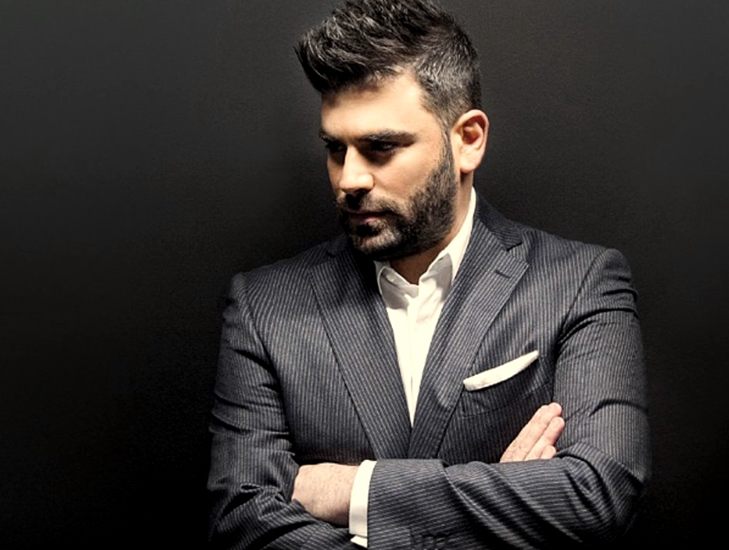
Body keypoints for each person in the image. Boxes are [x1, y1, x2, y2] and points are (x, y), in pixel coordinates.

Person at [207, 0, 649, 548]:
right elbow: (242, 520)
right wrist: (507, 502)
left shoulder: (580, 284)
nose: (349, 179)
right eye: (335, 149)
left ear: (468, 140)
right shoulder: (263, 307)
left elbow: (599, 494)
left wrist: (357, 492)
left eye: (380, 148)